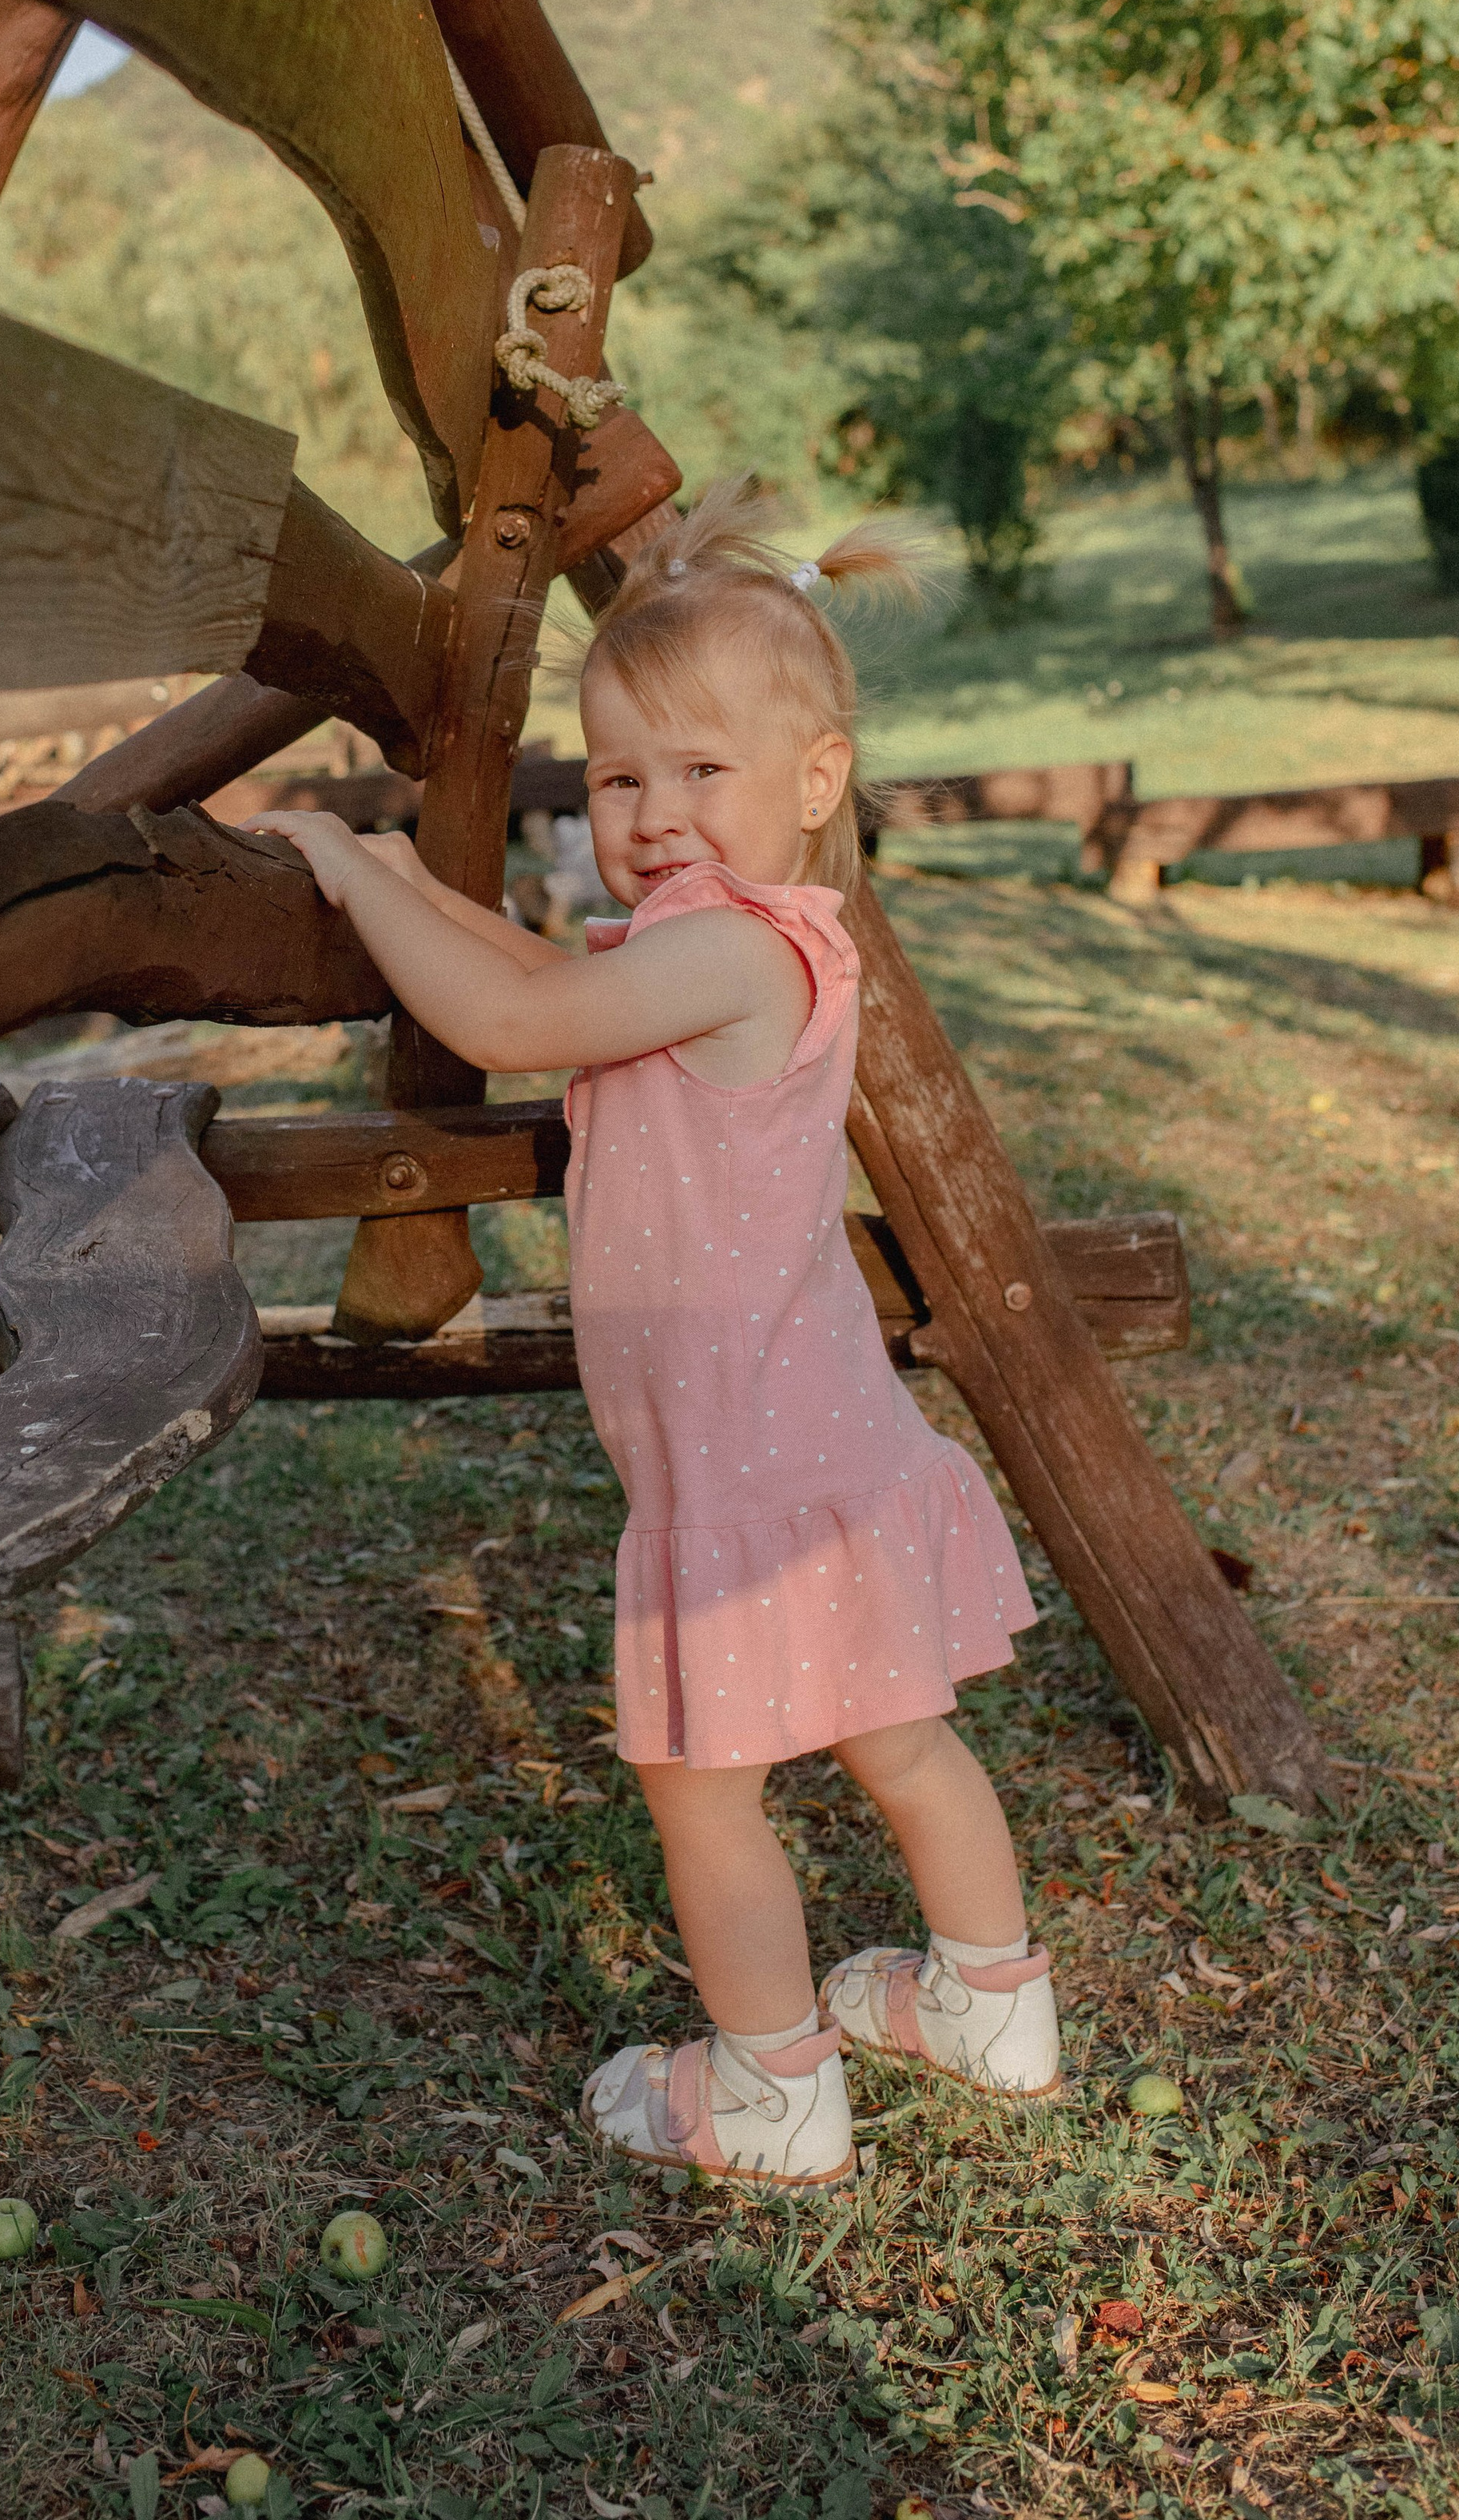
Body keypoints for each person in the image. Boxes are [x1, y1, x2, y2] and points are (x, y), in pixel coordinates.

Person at [252, 481, 1058, 2188]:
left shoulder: (723, 957)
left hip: (742, 1476)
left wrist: (338, 858)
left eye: (700, 772)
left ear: (813, 781)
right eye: (618, 776)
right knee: (901, 1744)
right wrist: (411, 872)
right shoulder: (757, 945)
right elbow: (544, 971)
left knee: (706, 1796)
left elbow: (510, 1011)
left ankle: (767, 2088)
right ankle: (989, 2002)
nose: (652, 810)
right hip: (820, 1439)